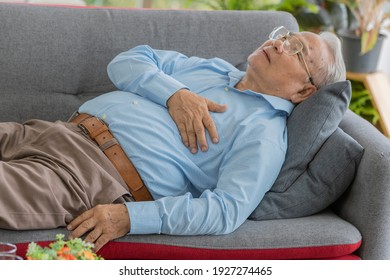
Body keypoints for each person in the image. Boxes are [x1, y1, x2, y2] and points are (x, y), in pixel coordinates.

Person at [0, 27, 345, 251]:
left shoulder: (264, 134)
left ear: (304, 90)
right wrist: (174, 93)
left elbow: (226, 211)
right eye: (285, 36)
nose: (279, 43)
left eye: (297, 49)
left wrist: (130, 218)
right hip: (52, 131)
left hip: (86, 177)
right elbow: (128, 61)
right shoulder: (213, 68)